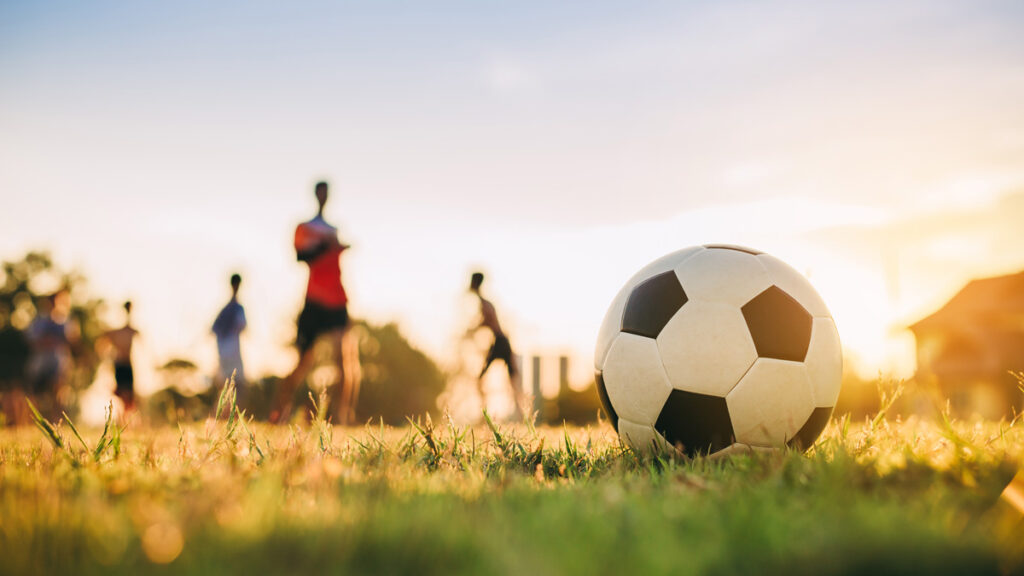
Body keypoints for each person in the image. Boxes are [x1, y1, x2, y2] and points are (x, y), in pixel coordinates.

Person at [271, 181, 357, 424]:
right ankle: (278, 411)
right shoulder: (306, 227)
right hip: (314, 300)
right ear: (316, 195)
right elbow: (301, 257)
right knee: (303, 362)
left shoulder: (334, 229)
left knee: (345, 359)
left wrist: (337, 246)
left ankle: (343, 416)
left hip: (338, 299)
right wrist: (326, 246)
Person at [468, 272, 526, 418]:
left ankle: (488, 414)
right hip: (500, 342)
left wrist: (472, 329)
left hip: (500, 343)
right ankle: (520, 414)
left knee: (507, 379)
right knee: (511, 379)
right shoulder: (485, 302)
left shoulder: (484, 303)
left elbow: (488, 320)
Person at [25, 291, 72, 419]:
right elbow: (31, 340)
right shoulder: (39, 321)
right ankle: (35, 418)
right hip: (41, 359)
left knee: (57, 391)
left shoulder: (62, 321)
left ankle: (56, 420)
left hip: (57, 359)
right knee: (35, 390)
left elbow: (70, 340)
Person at [99, 301, 140, 412]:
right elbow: (102, 340)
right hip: (120, 364)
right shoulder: (116, 332)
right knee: (122, 393)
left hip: (127, 363)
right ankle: (122, 417)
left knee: (129, 395)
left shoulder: (130, 331)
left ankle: (126, 418)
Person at [212, 273, 247, 390]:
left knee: (227, 387)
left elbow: (214, 329)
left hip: (224, 352)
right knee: (235, 386)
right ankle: (224, 408)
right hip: (231, 353)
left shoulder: (226, 309)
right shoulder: (236, 308)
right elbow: (242, 326)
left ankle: (223, 408)